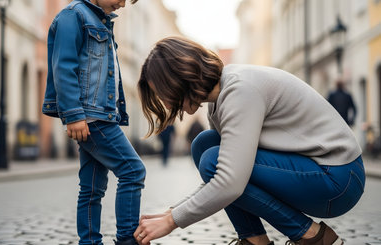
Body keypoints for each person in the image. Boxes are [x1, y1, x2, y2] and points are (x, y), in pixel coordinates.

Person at [133, 37, 365, 245]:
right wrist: (173, 212)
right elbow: (224, 177)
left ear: (180, 77)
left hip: (338, 179)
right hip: (317, 172)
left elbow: (229, 181)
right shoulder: (220, 96)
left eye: (164, 93)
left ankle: (313, 237)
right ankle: (254, 241)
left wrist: (173, 221)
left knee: (212, 158)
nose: (165, 103)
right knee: (205, 145)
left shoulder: (240, 91)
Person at [41, 1, 146, 245]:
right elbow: (63, 67)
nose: (122, 4)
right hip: (91, 116)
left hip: (100, 115)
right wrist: (74, 114)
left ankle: (89, 242)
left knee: (91, 187)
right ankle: (126, 240)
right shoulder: (73, 16)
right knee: (133, 170)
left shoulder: (101, 21)